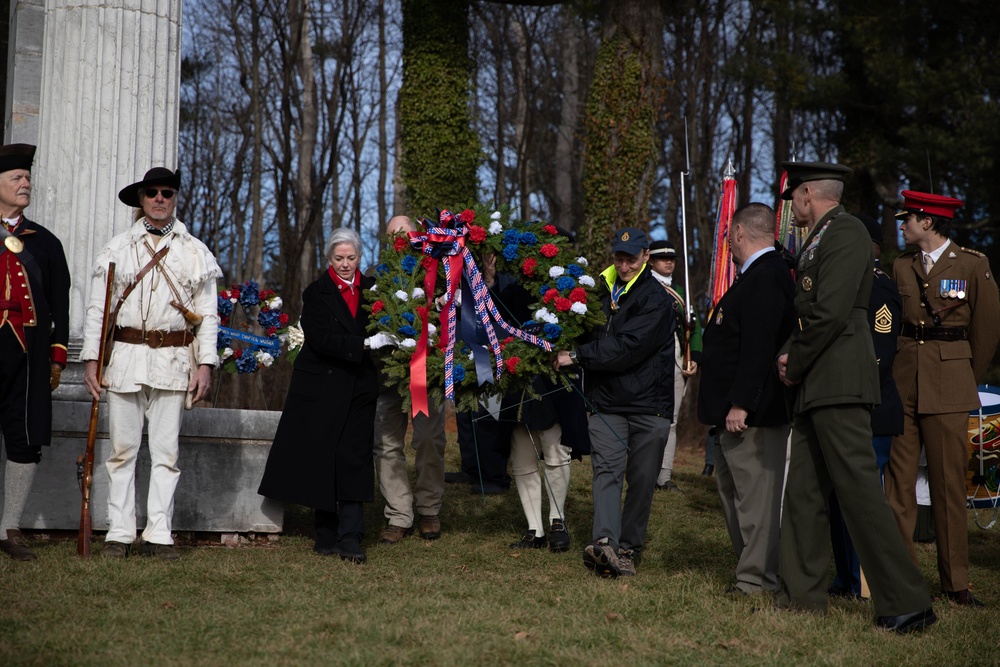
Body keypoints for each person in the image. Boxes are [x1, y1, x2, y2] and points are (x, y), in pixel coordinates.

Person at [774, 162, 935, 634]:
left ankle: (907, 601)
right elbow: (809, 314)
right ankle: (800, 596)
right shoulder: (821, 235)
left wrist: (794, 362)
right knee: (803, 494)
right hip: (818, 381)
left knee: (860, 493)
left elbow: (830, 311)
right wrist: (791, 356)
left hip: (838, 381)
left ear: (808, 193)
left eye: (794, 199)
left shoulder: (842, 232)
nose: (792, 209)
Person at [82, 167, 220, 561]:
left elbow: (207, 315)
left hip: (175, 360)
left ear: (175, 198)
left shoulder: (195, 252)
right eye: (152, 193)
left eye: (167, 192)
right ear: (140, 199)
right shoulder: (118, 248)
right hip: (125, 359)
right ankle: (119, 534)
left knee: (166, 453)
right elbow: (99, 308)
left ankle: (160, 535)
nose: (160, 199)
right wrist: (92, 359)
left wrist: (205, 364)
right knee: (122, 451)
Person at [883, 190, 1000, 607]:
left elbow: (986, 330)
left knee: (949, 484)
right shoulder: (901, 266)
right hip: (904, 382)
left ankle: (956, 585)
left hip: (950, 383)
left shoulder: (973, 265)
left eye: (908, 219)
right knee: (898, 484)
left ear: (928, 221)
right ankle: (901, 579)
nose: (902, 225)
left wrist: (963, 375)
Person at [258, 228, 394, 564]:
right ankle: (325, 530)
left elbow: (389, 320)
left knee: (354, 457)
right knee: (323, 455)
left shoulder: (374, 292)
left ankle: (351, 535)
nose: (345, 264)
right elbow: (320, 338)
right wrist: (363, 344)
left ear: (359, 258)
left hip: (359, 385)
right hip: (322, 386)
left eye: (351, 258)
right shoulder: (316, 293)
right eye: (339, 258)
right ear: (329, 259)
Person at [555, 226, 674, 578]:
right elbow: (576, 327)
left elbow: (629, 347)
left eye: (631, 259)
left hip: (648, 406)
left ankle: (628, 548)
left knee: (641, 479)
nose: (624, 265)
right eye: (619, 258)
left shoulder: (657, 298)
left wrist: (576, 355)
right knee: (606, 471)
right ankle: (605, 543)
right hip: (606, 403)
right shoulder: (596, 290)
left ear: (646, 258)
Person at [699, 203, 794, 595]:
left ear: (738, 232)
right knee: (737, 497)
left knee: (756, 504)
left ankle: (758, 580)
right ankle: (750, 573)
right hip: (734, 412)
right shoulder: (754, 275)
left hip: (753, 413)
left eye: (728, 236)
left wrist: (741, 403)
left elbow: (758, 347)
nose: (728, 243)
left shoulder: (766, 275)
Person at [827, 213, 904, 598]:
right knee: (838, 498)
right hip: (849, 405)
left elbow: (880, 352)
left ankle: (865, 582)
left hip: (871, 407)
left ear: (869, 247)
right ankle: (846, 577)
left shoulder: (879, 288)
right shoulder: (852, 281)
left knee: (863, 500)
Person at [0, 144, 70, 562]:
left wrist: (58, 356)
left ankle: (9, 527)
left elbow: (60, 304)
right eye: (16, 179)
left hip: (29, 353)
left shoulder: (45, 242)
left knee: (24, 439)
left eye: (27, 179)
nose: (25, 184)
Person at [375, 216, 448, 544]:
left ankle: (429, 508)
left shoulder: (437, 274)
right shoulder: (374, 279)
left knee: (430, 439)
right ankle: (399, 513)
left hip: (426, 372)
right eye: (393, 235)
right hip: (386, 374)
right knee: (388, 443)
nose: (399, 239)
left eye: (405, 233)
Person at [647, 240, 702, 492]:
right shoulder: (641, 287)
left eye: (672, 258)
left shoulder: (682, 292)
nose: (668, 262)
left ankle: (664, 475)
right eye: (661, 258)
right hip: (646, 358)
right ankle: (643, 471)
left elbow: (695, 328)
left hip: (676, 357)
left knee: (671, 419)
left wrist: (695, 358)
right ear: (650, 260)